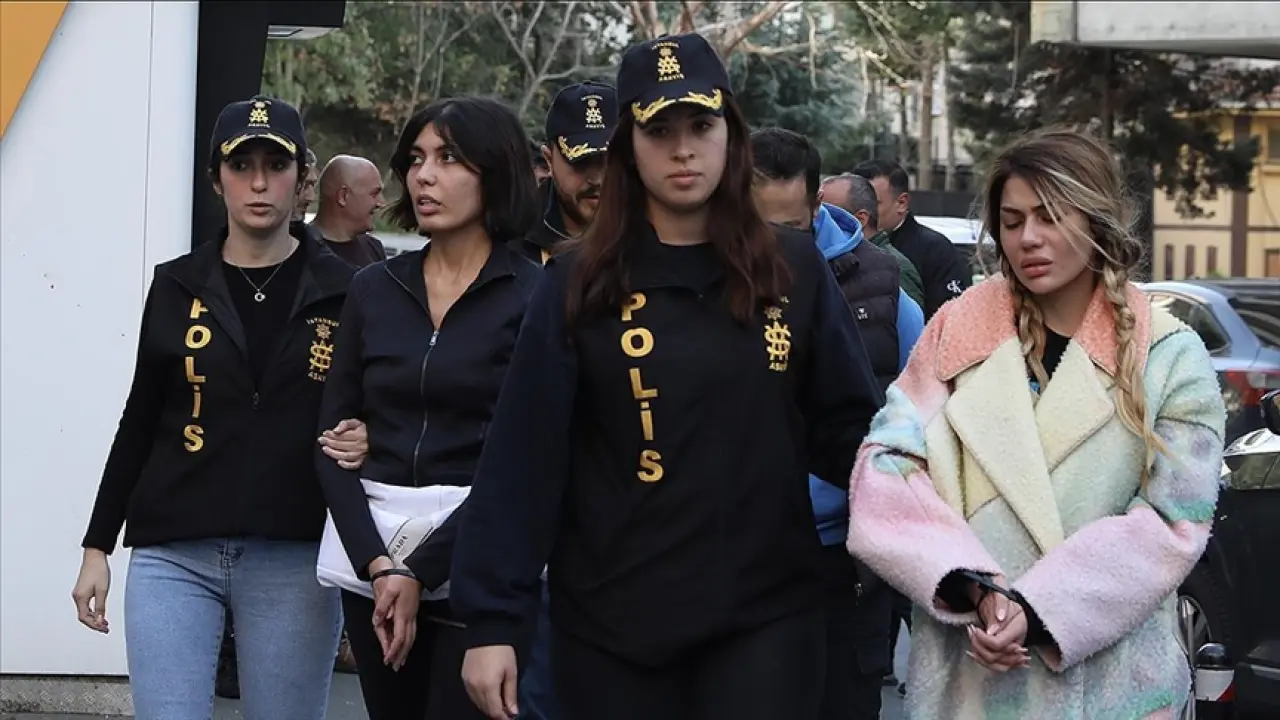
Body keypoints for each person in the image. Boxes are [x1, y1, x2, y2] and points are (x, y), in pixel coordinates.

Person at [451, 32, 883, 720]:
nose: (683, 149)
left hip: (767, 617)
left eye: (701, 126)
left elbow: (850, 430)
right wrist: (492, 620)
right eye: (659, 130)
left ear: (731, 134)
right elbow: (523, 458)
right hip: (612, 625)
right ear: (628, 145)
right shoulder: (576, 281)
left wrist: (926, 496)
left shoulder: (792, 269)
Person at [846, 128, 1226, 718]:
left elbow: (1175, 519)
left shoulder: (1168, 354)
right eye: (1013, 220)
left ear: (1096, 219)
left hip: (1114, 690)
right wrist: (974, 586)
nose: (1028, 238)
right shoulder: (957, 331)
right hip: (969, 681)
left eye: (1050, 217)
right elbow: (885, 469)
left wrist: (1042, 606)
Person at [71, 96, 363, 719]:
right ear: (215, 179)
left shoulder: (348, 291)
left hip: (295, 553)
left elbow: (380, 408)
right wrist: (97, 545)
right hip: (174, 552)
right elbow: (140, 418)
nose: (258, 183)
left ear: (302, 178)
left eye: (276, 165)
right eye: (240, 165)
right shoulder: (177, 284)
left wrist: (370, 436)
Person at [315, 96, 542, 720]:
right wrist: (379, 565)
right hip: (376, 562)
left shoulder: (537, 297)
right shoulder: (373, 288)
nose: (425, 176)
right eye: (416, 159)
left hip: (483, 562)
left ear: (495, 171)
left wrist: (420, 570)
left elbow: (528, 461)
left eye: (448, 158)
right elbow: (330, 440)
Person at [750, 126, 923, 720]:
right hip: (743, 559)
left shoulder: (886, 293)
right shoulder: (710, 281)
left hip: (846, 561)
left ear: (816, 206)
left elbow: (921, 425)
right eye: (759, 227)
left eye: (791, 229)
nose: (775, 246)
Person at [511, 81, 617, 266]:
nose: (598, 179)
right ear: (549, 160)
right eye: (581, 162)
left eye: (611, 162)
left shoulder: (662, 231)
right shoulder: (512, 246)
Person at [852, 159, 971, 319]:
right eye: (854, 205)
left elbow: (950, 317)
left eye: (873, 204)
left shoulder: (935, 250)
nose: (861, 213)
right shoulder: (844, 247)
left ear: (901, 203)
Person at [820, 172, 924, 310]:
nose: (818, 222)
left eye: (829, 215)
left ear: (860, 219)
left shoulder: (895, 267)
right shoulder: (835, 261)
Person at [309, 154, 388, 268]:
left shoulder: (374, 248)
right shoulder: (300, 251)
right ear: (343, 196)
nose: (381, 203)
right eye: (374, 193)